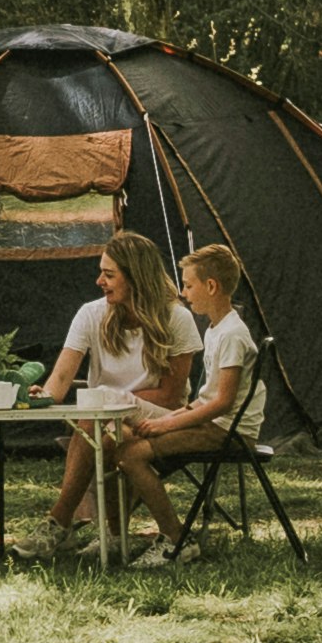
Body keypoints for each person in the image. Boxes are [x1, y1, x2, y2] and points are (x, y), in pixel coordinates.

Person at [38, 228, 202, 561]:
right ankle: (111, 534)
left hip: (164, 417)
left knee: (97, 427)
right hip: (108, 420)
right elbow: (61, 377)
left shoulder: (176, 318)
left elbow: (171, 396)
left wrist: (115, 402)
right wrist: (40, 396)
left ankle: (60, 523)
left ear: (136, 277)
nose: (100, 281)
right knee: (104, 431)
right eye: (101, 272)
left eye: (109, 274)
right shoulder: (91, 314)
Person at [113, 242, 261, 562]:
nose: (183, 292)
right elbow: (205, 397)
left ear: (211, 286)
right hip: (214, 425)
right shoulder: (215, 330)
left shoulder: (233, 335)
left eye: (189, 284)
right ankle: (115, 532)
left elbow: (222, 403)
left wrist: (166, 423)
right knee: (126, 439)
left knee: (131, 455)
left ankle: (175, 539)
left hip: (230, 433)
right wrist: (171, 418)